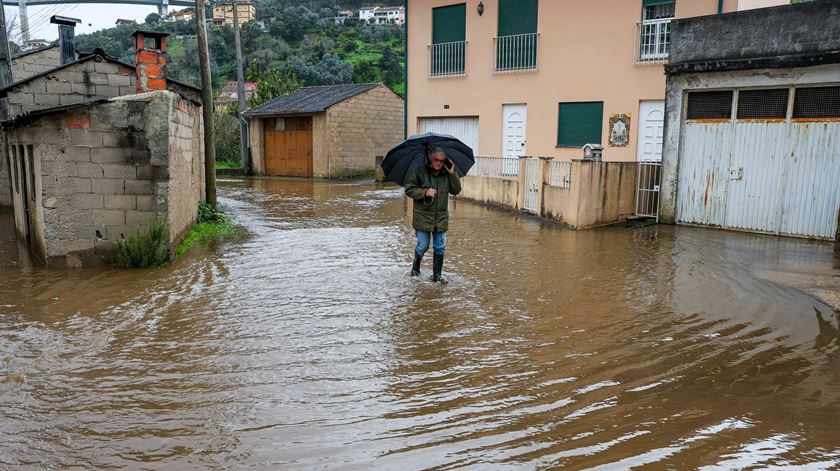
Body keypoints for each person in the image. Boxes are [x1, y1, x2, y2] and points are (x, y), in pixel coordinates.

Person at [404, 147, 462, 283]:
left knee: (440, 247)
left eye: (441, 161)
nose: (438, 163)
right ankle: (415, 269)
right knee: (423, 245)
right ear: (430, 158)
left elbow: (456, 190)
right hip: (422, 218)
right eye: (436, 160)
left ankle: (437, 276)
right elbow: (409, 189)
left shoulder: (447, 174)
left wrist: (452, 172)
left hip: (440, 218)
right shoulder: (419, 172)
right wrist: (424, 193)